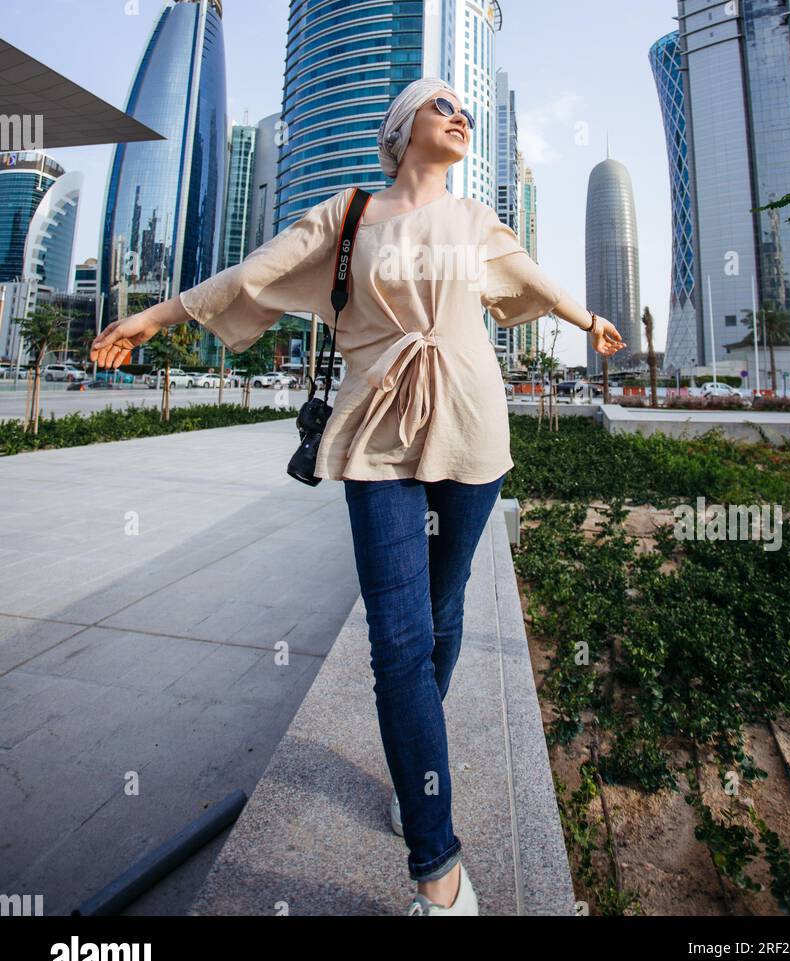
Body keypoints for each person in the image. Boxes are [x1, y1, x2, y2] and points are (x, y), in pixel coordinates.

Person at [90, 77, 626, 916]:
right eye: (443, 104)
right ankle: (438, 870)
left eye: (467, 114)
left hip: (471, 432)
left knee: (443, 612)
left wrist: (589, 318)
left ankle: (419, 766)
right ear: (403, 124)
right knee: (398, 642)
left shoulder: (475, 219)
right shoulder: (347, 215)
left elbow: (533, 280)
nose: (459, 118)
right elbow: (251, 272)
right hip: (376, 435)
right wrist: (152, 318)